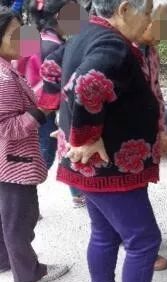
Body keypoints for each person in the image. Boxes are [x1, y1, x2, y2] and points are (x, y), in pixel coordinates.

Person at [38, 0, 161, 282]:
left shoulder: (84, 33)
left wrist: (62, 119)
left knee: (104, 230)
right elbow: (88, 84)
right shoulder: (114, 46)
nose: (149, 20)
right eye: (146, 12)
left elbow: (51, 66)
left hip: (89, 168)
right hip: (111, 169)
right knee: (144, 240)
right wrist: (83, 134)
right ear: (123, 9)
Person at [0, 6, 69, 282]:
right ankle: (28, 273)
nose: (22, 40)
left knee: (6, 217)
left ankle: (5, 261)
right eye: (14, 35)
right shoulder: (3, 79)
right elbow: (5, 128)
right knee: (21, 220)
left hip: (7, 162)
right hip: (13, 161)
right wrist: (40, 112)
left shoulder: (8, 67)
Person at [28, 0, 87, 208]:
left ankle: (78, 193)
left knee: (60, 147)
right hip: (45, 108)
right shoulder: (55, 46)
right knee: (48, 149)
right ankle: (23, 193)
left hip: (35, 106)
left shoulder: (36, 38)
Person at [138, 0, 167, 272]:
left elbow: (157, 95)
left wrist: (162, 130)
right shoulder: (122, 50)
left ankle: (136, 240)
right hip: (122, 141)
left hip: (144, 135)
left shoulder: (150, 51)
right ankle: (143, 248)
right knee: (131, 196)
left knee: (139, 189)